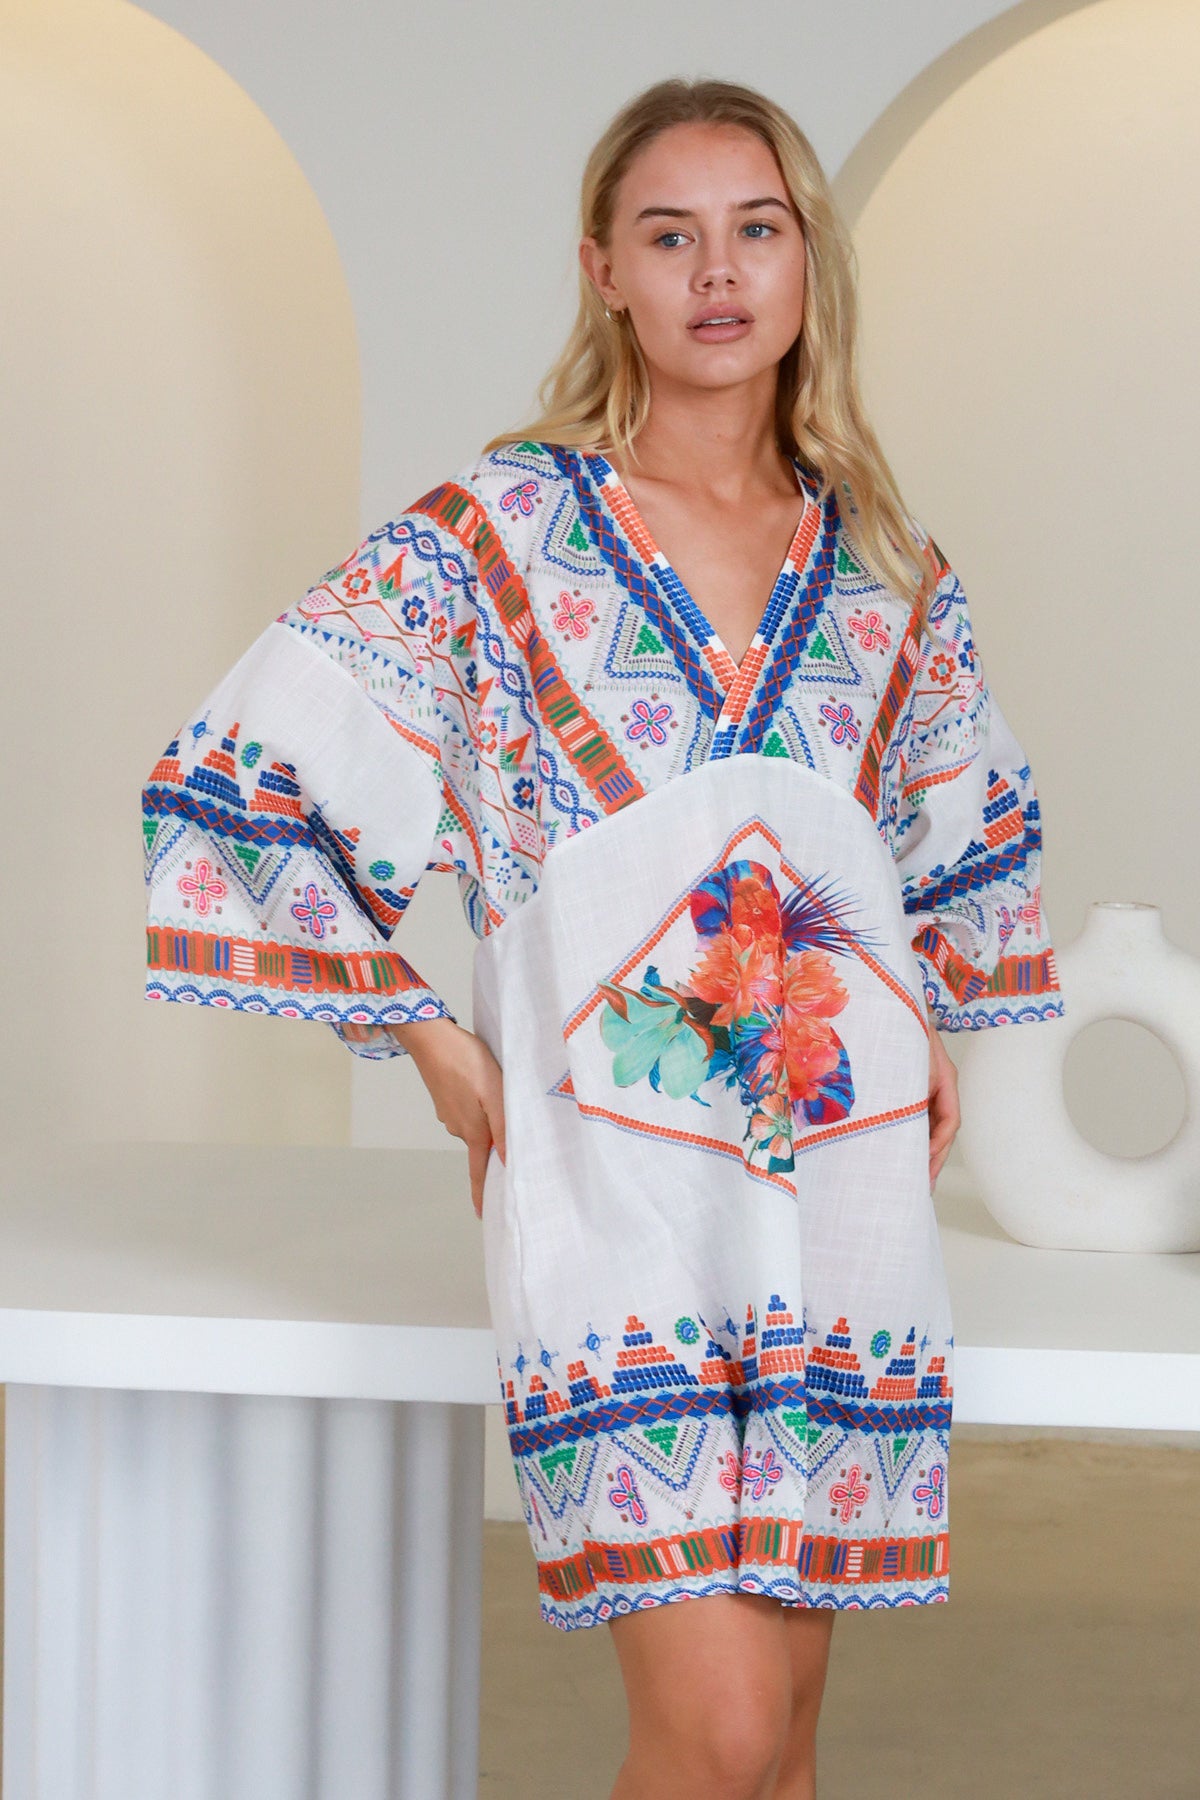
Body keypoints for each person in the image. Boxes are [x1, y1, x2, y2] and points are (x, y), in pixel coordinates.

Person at [141, 76, 1065, 1800]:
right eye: (670, 234)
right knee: (713, 1734)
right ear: (604, 271)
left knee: (783, 1748)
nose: (717, 272)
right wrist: (431, 1040)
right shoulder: (499, 538)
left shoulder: (886, 567)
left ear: (805, 262)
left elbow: (951, 846)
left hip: (838, 1180)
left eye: (756, 229)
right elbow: (237, 781)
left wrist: (927, 1016)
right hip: (609, 1188)